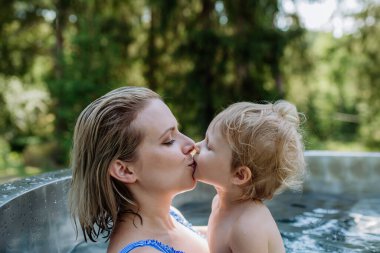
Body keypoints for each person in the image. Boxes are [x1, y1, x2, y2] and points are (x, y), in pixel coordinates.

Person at [69, 86, 209, 253]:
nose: (191, 144)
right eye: (169, 140)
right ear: (124, 170)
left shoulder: (171, 215)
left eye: (178, 131)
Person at [194, 101, 306, 253]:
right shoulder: (219, 203)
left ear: (239, 175)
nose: (196, 146)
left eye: (209, 145)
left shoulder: (247, 229)